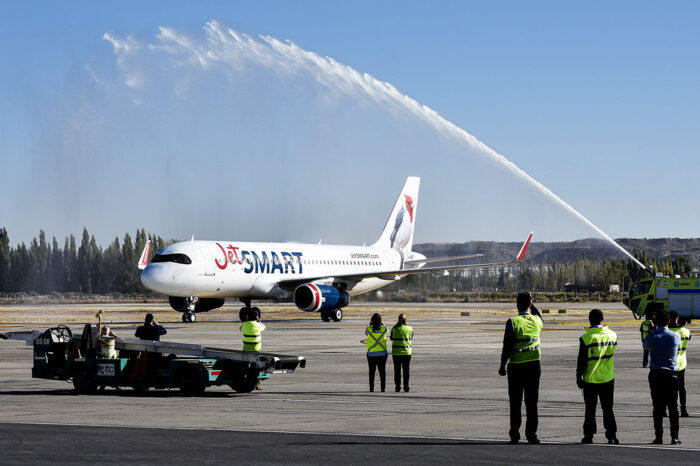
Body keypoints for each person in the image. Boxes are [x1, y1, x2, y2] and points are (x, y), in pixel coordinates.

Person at [498, 291, 543, 444]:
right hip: (533, 365)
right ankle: (532, 434)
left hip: (516, 366)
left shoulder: (513, 322)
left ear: (516, 305)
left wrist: (502, 365)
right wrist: (532, 302)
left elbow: (507, 346)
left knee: (515, 403)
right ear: (531, 304)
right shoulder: (537, 321)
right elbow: (538, 314)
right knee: (532, 403)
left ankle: (514, 434)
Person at [576, 309, 619, 444]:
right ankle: (611, 435)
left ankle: (588, 436)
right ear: (603, 319)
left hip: (590, 379)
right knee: (608, 409)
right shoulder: (613, 335)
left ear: (589, 320)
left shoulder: (586, 338)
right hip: (607, 377)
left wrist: (578, 376)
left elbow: (581, 361)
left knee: (590, 410)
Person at [644, 309, 682, 445]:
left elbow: (645, 346)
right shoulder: (675, 336)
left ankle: (658, 436)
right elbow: (678, 349)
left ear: (655, 322)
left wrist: (651, 331)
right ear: (669, 321)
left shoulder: (652, 337)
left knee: (657, 407)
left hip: (656, 374)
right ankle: (674, 436)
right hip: (671, 374)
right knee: (673, 407)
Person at [669, 311, 691, 418]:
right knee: (681, 387)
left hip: (669, 363)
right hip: (681, 363)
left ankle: (668, 409)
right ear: (677, 318)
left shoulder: (668, 332)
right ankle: (683, 409)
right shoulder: (686, 332)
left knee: (668, 388)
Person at [390, 313, 413, 393]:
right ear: (406, 319)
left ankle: (397, 387)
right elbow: (411, 337)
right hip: (406, 352)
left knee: (397, 371)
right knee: (406, 370)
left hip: (396, 352)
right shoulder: (410, 328)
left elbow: (391, 338)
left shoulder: (394, 328)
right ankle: (406, 386)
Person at [365, 313, 388, 392]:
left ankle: (371, 388)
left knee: (372, 372)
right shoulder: (384, 328)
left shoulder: (368, 329)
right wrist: (382, 323)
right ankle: (383, 388)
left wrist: (371, 325)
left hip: (371, 353)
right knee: (382, 371)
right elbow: (386, 328)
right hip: (382, 353)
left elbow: (366, 333)